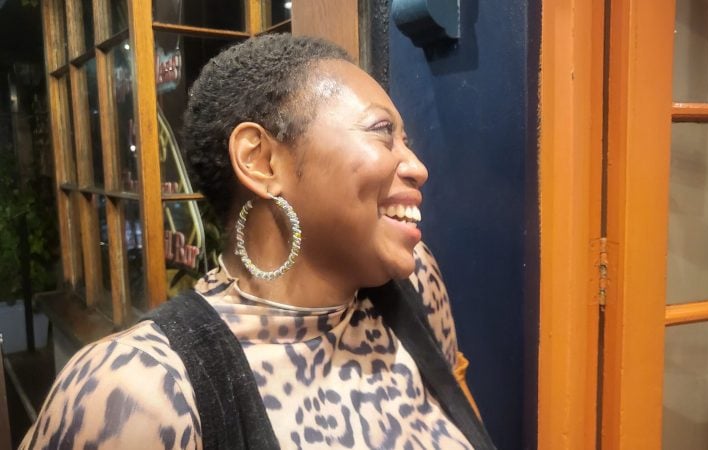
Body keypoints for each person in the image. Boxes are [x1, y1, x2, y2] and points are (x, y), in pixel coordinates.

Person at [19, 34, 492, 449]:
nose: (416, 166)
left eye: (406, 139)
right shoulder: (140, 391)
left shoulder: (416, 285)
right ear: (261, 161)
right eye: (382, 132)